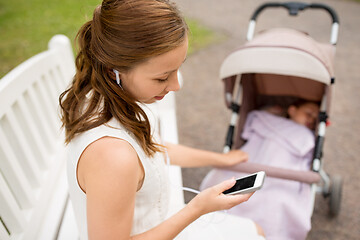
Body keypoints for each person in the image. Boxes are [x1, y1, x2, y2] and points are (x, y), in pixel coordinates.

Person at [59, 0, 266, 239]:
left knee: (256, 231)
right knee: (255, 233)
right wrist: (197, 208)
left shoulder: (109, 97)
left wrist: (220, 159)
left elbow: (152, 150)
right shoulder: (112, 156)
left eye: (178, 69)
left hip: (160, 220)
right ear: (112, 71)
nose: (176, 86)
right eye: (162, 77)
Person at [200, 99, 320, 240]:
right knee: (225, 181)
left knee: (277, 200)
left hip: (283, 173)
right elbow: (252, 120)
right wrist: (269, 111)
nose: (311, 119)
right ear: (292, 110)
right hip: (253, 162)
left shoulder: (307, 136)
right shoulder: (267, 120)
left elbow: (306, 160)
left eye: (316, 119)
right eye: (308, 113)